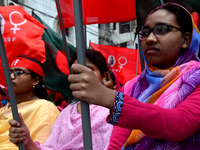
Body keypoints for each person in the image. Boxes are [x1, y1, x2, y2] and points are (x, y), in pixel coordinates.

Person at [68, 3, 200, 149]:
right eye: (144, 32)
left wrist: (111, 99)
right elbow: (118, 144)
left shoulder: (197, 77)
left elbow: (179, 124)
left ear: (186, 39)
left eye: (161, 30)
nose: (150, 39)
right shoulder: (132, 87)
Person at [9, 49, 113, 150]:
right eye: (76, 72)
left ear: (104, 76)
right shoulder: (66, 113)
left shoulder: (113, 111)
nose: (82, 76)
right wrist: (27, 141)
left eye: (89, 71)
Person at [0, 55, 60, 150]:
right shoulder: (4, 109)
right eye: (10, 72)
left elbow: (42, 145)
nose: (11, 76)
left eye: (19, 72)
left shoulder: (45, 107)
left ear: (35, 80)